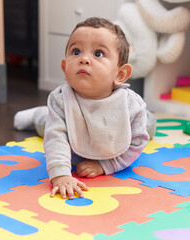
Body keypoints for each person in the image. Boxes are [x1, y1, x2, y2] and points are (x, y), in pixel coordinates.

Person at [14, 17, 156, 199]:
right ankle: (37, 114)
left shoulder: (130, 105)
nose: (84, 59)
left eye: (98, 53)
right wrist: (61, 175)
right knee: (46, 126)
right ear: (65, 69)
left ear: (120, 74)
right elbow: (55, 138)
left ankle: (149, 115)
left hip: (129, 121)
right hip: (69, 134)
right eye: (76, 51)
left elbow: (136, 143)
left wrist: (105, 165)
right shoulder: (60, 99)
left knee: (148, 126)